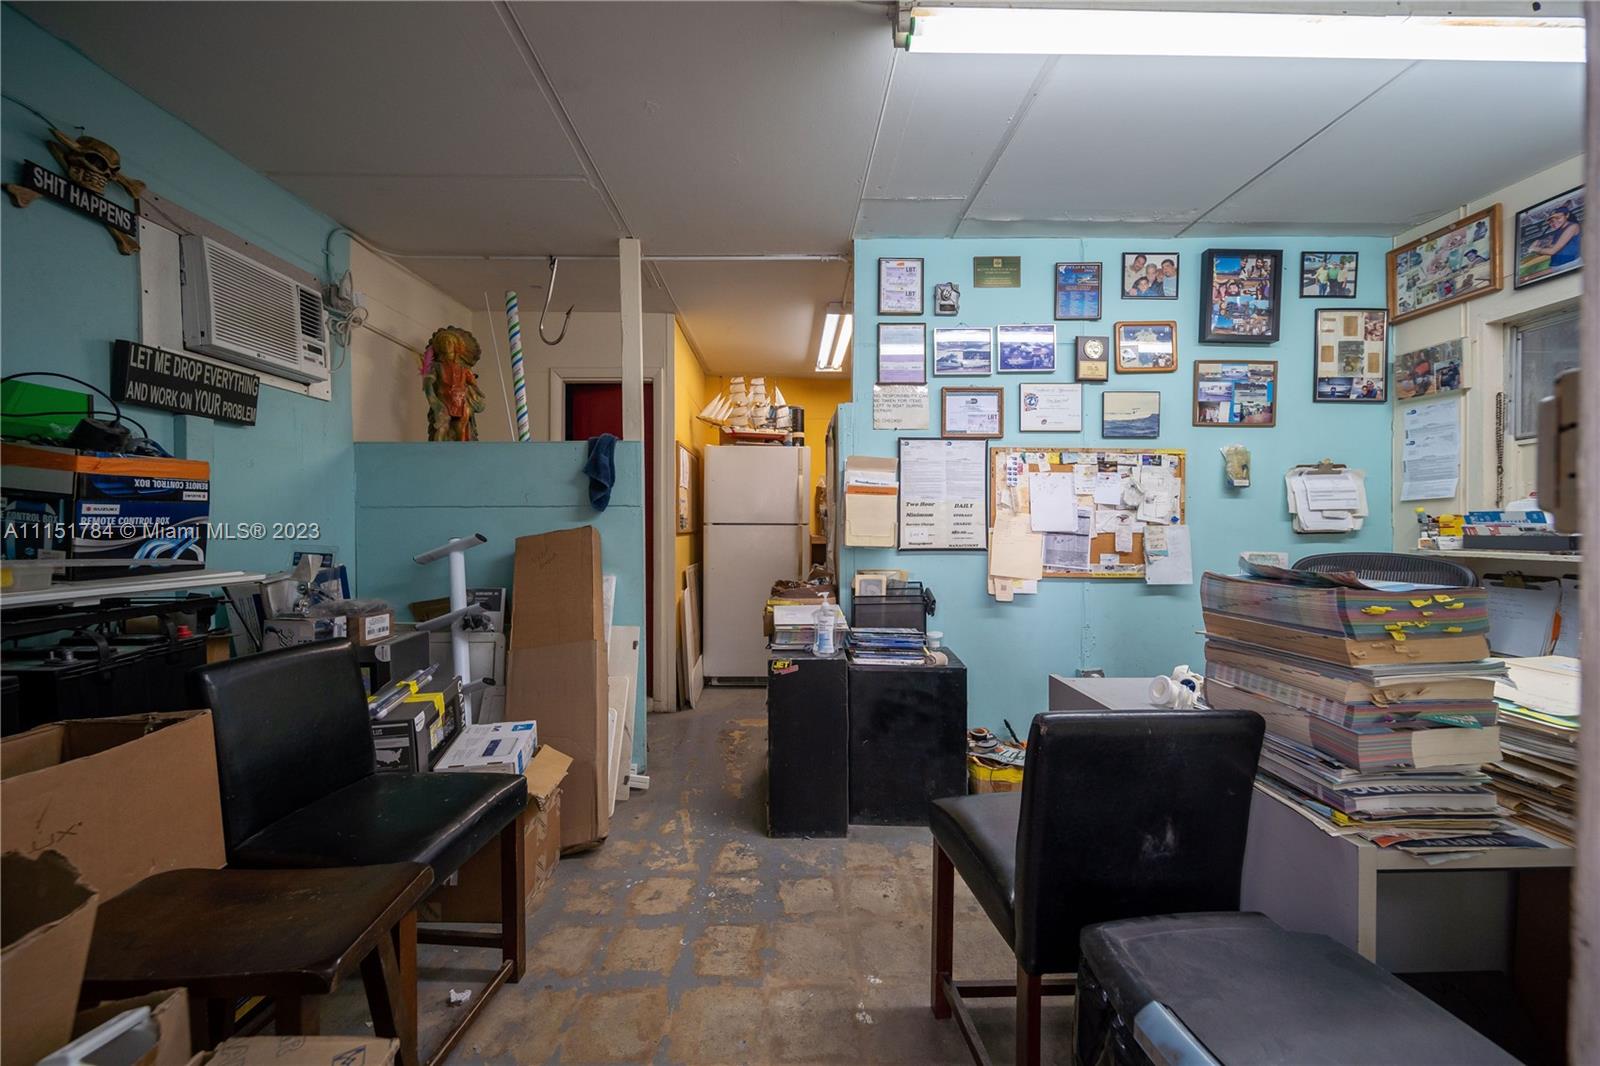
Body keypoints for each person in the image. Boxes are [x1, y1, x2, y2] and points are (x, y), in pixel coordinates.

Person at [1529, 203, 1581, 271]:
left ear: (1567, 215)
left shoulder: (1573, 227)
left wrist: (1534, 248)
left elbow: (1552, 251)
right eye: (1550, 221)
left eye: (1558, 218)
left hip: (1571, 264)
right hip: (1557, 266)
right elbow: (1548, 248)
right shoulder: (1558, 230)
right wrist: (1540, 244)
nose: (1554, 222)